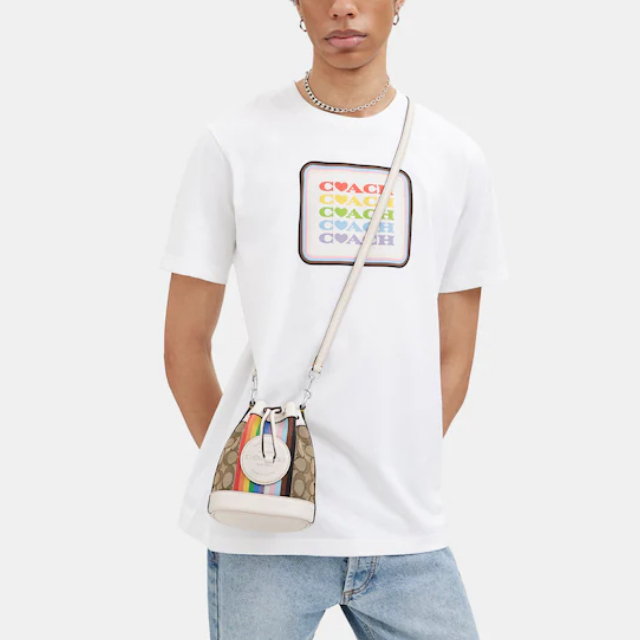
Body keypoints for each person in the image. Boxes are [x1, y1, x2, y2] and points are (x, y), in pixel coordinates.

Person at [161, 1, 509, 638]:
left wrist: (398, 463)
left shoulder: (454, 157)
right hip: (263, 536)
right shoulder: (234, 143)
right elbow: (185, 345)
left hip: (405, 533)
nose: (342, 6)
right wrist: (252, 470)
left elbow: (455, 353)